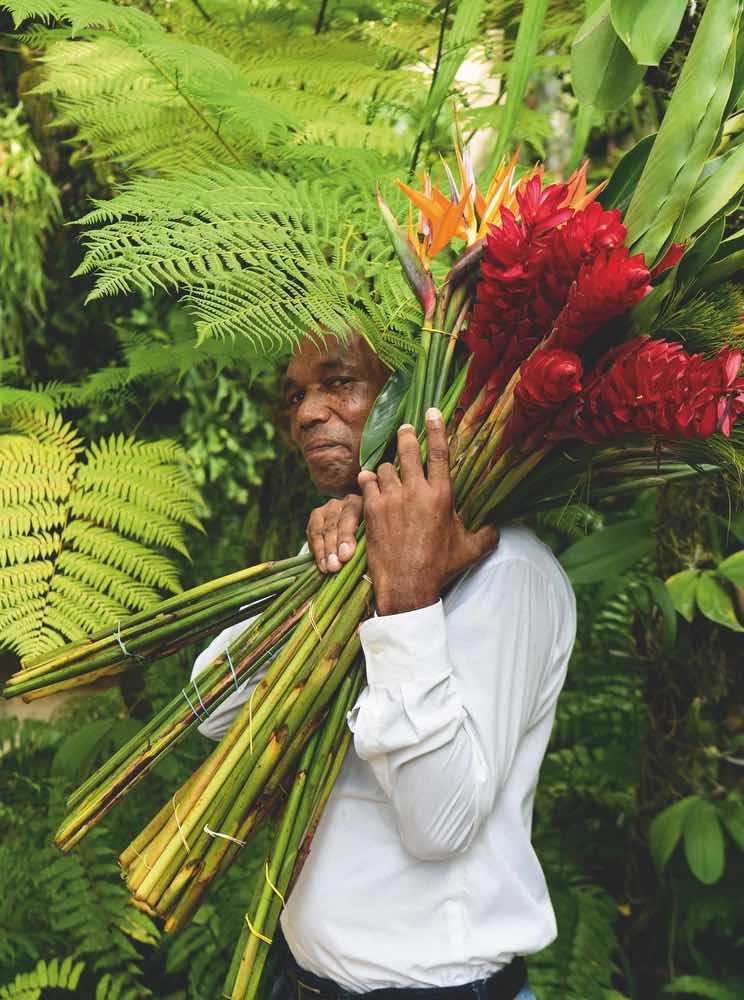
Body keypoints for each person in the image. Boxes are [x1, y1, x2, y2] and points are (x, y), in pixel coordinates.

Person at [191, 331, 576, 1000]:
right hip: (299, 981)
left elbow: (439, 824)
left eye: (338, 383)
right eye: (295, 396)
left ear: (419, 394)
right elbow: (211, 710)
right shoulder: (344, 558)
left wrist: (405, 601)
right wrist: (342, 585)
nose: (307, 413)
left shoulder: (511, 572)